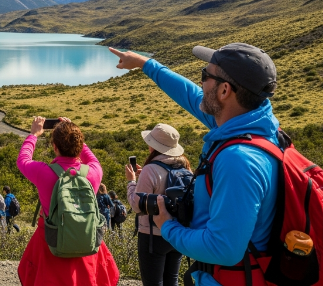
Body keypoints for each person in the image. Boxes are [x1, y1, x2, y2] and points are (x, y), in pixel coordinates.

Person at [110, 43, 281, 286]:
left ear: (224, 91)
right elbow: (189, 95)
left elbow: (223, 250)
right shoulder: (252, 126)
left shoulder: (238, 160)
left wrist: (167, 225)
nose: (201, 84)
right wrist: (144, 63)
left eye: (205, 76)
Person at [17, 116, 119, 286]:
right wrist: (73, 130)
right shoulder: (93, 173)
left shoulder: (44, 172)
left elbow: (23, 160)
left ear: (54, 147)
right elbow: (92, 159)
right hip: (85, 241)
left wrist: (34, 134)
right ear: (80, 146)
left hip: (51, 242)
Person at [124, 123, 191, 286]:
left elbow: (136, 205)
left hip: (152, 235)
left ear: (154, 145)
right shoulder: (185, 168)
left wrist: (132, 182)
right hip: (178, 232)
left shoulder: (151, 169)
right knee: (172, 281)